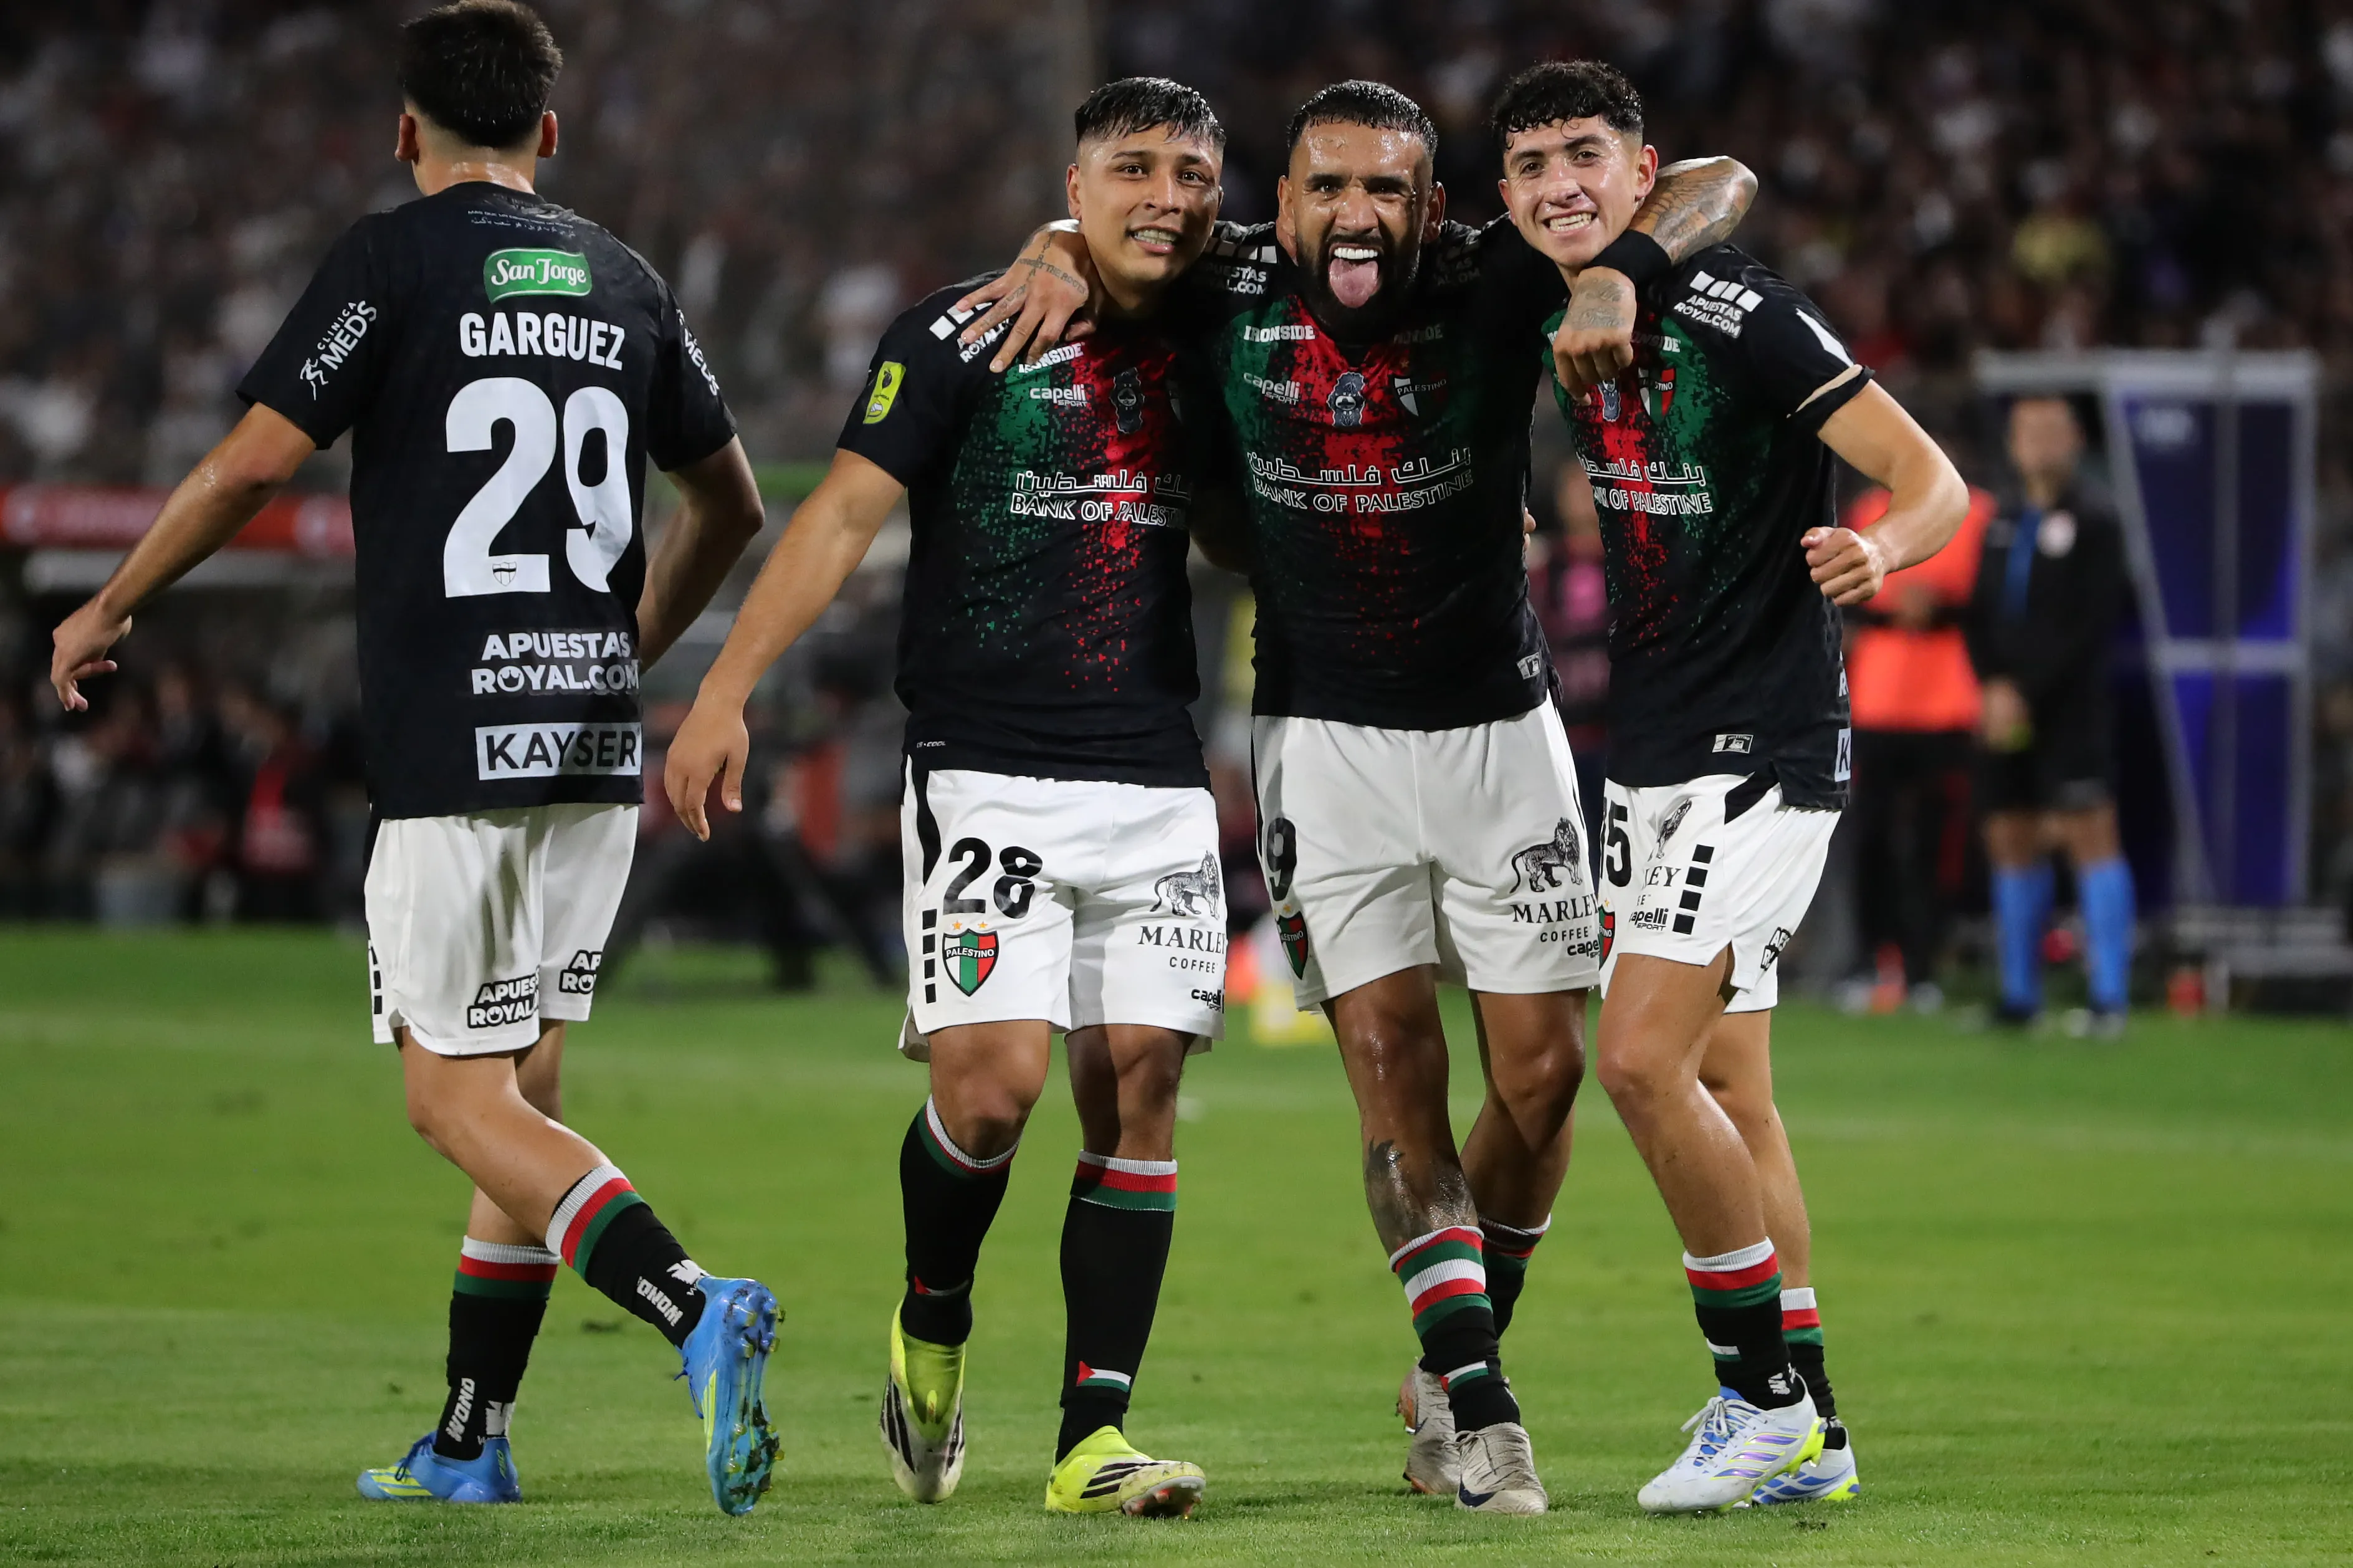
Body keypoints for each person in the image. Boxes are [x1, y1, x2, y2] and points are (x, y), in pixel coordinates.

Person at [959, 79, 1756, 1513]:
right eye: (1328, 186)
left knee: (1544, 1077)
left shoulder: (1496, 275)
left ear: (1433, 205)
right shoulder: (1227, 283)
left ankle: (1458, 1348)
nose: (1356, 214)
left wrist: (1616, 275)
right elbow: (1119, 227)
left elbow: (1716, 180)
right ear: (1281, 203)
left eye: (1388, 188)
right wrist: (1049, 245)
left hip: (1499, 734)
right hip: (1320, 745)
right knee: (1395, 1085)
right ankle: (1480, 1405)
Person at [47, 0, 778, 1515]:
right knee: (525, 1097)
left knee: (454, 1102)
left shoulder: (388, 261)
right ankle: (471, 1436)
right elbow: (732, 503)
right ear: (549, 135)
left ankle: (689, 1302)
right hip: (584, 742)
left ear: (406, 132)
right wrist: (626, 642)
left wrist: (112, 600)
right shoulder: (627, 279)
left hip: (453, 742)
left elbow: (254, 460)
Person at [666, 78, 1236, 1519]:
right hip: (984, 769)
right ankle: (931, 1322)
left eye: (1190, 170)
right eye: (1131, 169)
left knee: (1141, 1090)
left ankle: (1093, 1437)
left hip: (1154, 770)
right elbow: (843, 512)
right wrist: (725, 687)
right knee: (991, 1094)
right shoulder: (965, 329)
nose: (1164, 194)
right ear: (1075, 179)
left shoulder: (1221, 322)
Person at [1495, 60, 1967, 1513]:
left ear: (1641, 174)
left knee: (1637, 1058)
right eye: (1528, 166)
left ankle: (1751, 1393)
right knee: (1730, 1087)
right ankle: (1813, 1421)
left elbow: (1929, 474)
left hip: (1758, 750)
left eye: (1588, 154)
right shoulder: (1545, 294)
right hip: (1648, 755)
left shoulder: (1735, 312)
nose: (1556, 184)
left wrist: (1884, 553)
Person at [1965, 394, 2133, 1034]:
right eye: (2026, 432)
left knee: (2088, 831)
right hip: (2004, 705)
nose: (2037, 443)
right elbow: (1978, 613)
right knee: (2008, 834)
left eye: (2050, 432)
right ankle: (2018, 995)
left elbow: (2089, 625)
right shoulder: (2002, 517)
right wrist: (1990, 686)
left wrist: (2022, 691)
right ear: (2011, 445)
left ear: (2073, 442)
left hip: (2070, 705)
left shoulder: (2096, 520)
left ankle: (2108, 996)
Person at [1842, 480, 1993, 1011]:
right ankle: (1871, 962)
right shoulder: (1867, 509)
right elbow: (1844, 592)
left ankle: (1925, 965)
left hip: (1949, 702)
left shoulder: (1976, 512)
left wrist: (1942, 605)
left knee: (1937, 845)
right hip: (1877, 701)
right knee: (1872, 840)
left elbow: (1991, 595)